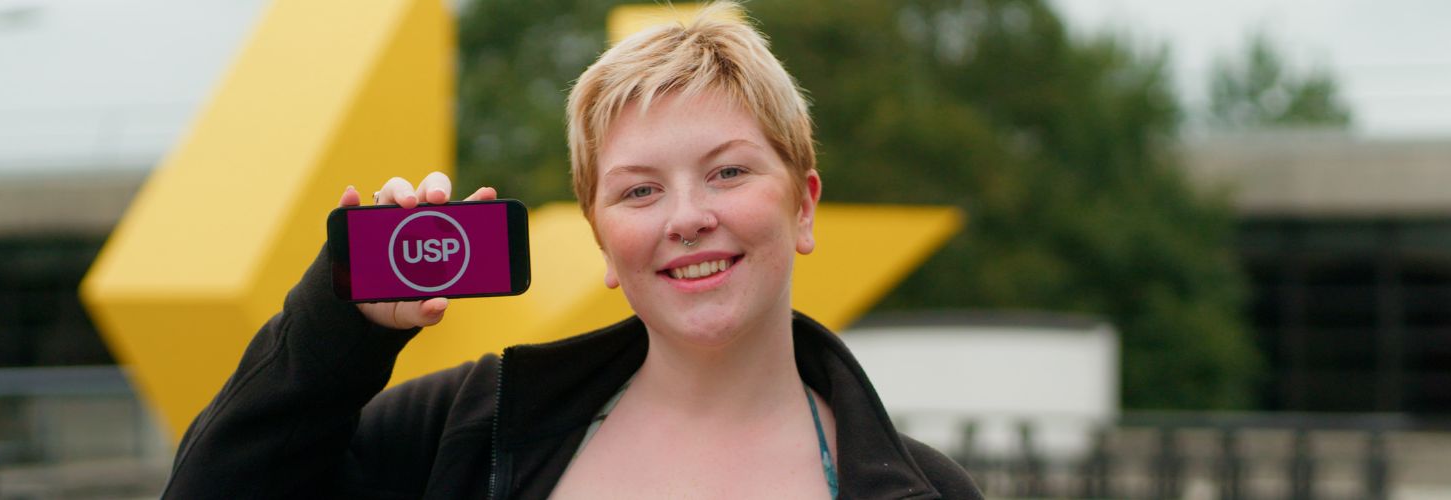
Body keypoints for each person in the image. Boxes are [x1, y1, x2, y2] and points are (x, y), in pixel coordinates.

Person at [164, 3, 979, 498]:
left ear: (803, 205)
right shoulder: (466, 428)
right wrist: (343, 326)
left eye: (728, 172)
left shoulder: (923, 489)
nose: (687, 218)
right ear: (602, 241)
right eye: (639, 191)